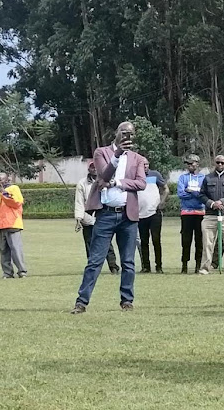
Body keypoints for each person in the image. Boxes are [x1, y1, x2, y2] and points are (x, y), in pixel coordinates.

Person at [71, 122, 146, 314]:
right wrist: (118, 155)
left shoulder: (137, 158)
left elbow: (141, 183)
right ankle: (81, 302)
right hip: (105, 215)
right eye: (123, 131)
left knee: (128, 262)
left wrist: (118, 183)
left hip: (128, 216)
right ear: (116, 132)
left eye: (130, 133)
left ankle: (127, 301)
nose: (126, 135)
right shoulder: (102, 152)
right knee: (95, 261)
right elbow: (103, 176)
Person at [74, 162, 120, 274]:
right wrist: (79, 218)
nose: (94, 169)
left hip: (103, 217)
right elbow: (79, 201)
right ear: (89, 169)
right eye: (92, 167)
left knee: (107, 244)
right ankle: (93, 268)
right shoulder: (82, 183)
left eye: (96, 167)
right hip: (88, 217)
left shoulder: (106, 180)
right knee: (90, 245)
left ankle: (113, 266)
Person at [198, 155, 224, 274]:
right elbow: (201, 195)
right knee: (207, 243)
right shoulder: (207, 178)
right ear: (214, 163)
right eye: (218, 162)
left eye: (222, 163)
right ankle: (205, 268)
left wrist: (222, 202)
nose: (220, 165)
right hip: (210, 215)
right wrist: (212, 204)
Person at [137, 159, 168, 273]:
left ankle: (158, 266)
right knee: (143, 241)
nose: (145, 166)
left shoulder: (155, 175)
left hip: (154, 213)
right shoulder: (135, 175)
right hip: (140, 214)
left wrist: (162, 202)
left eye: (146, 164)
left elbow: (166, 189)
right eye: (143, 164)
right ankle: (146, 266)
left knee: (156, 240)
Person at [177, 154, 205, 274]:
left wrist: (191, 191)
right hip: (186, 213)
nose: (189, 166)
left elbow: (203, 195)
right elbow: (181, 194)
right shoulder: (182, 178)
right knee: (186, 240)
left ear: (197, 164)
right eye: (188, 164)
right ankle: (184, 265)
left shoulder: (203, 178)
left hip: (200, 213)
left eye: (191, 163)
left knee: (200, 241)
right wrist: (196, 193)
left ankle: (198, 265)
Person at [0, 173, 28, 279]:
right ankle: (7, 272)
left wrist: (3, 191)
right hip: (1, 225)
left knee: (16, 249)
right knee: (3, 251)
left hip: (12, 223)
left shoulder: (13, 188)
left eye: (1, 180)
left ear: (7, 180)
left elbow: (16, 202)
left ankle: (22, 271)